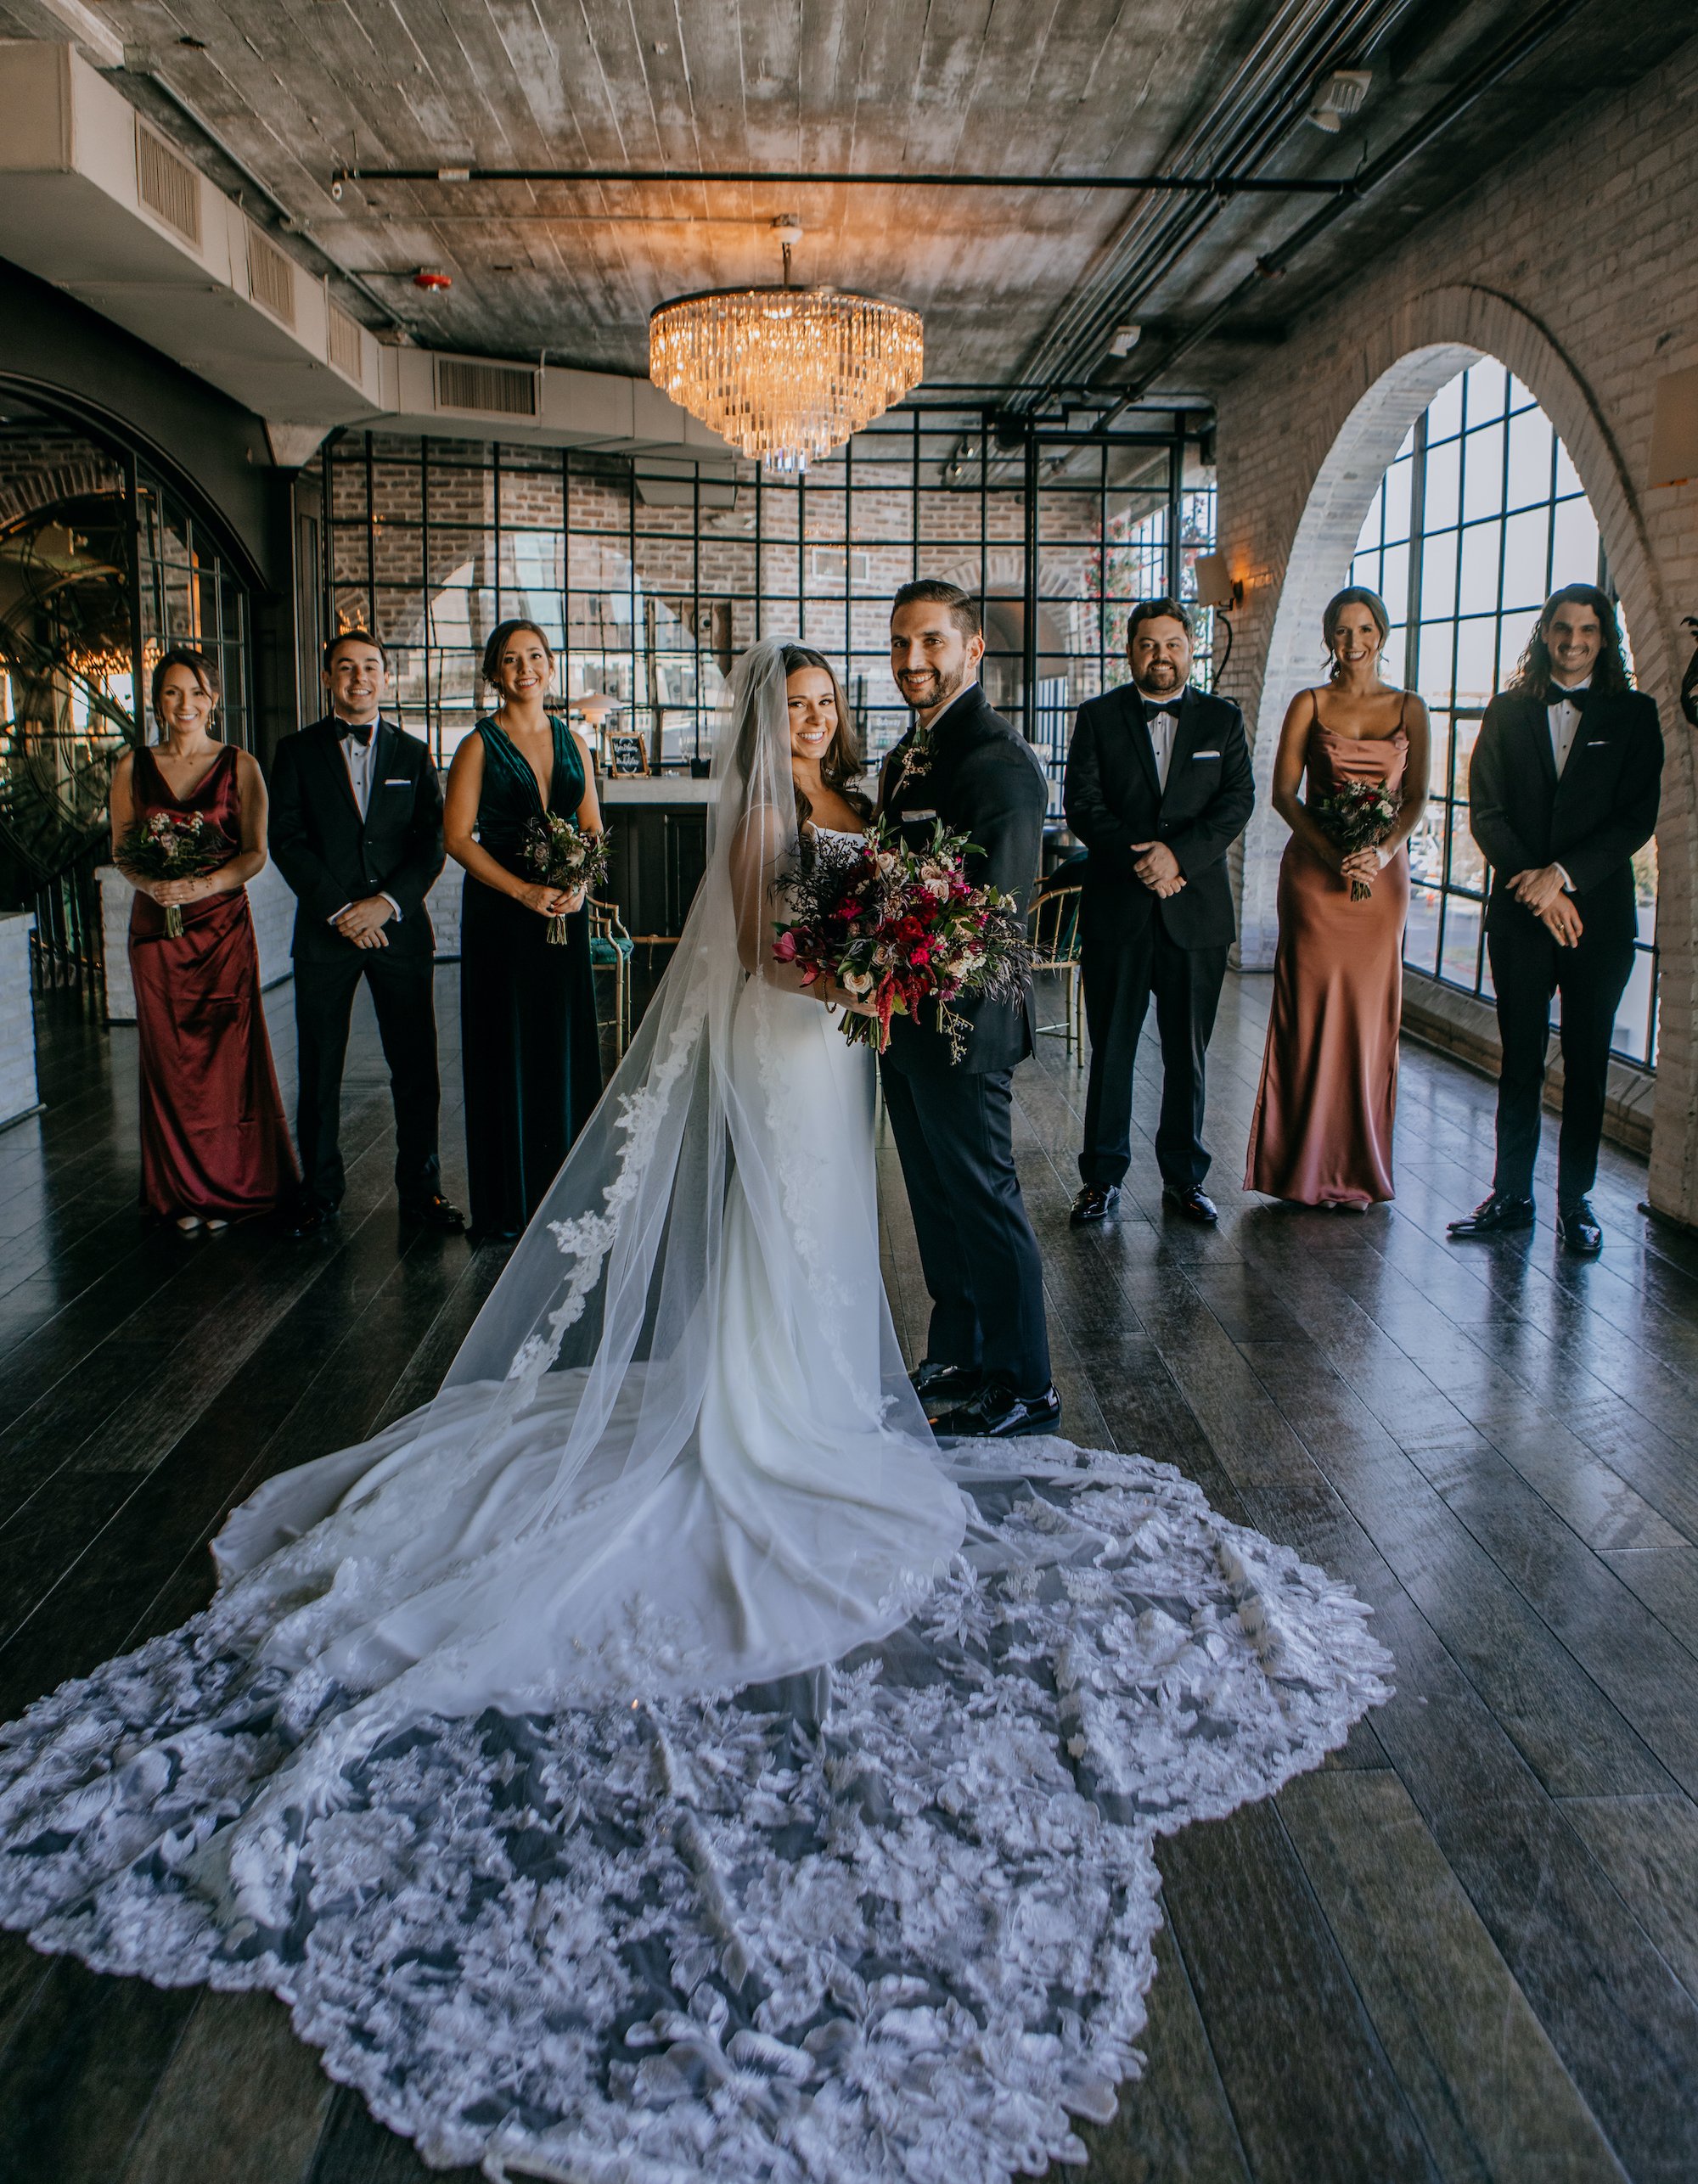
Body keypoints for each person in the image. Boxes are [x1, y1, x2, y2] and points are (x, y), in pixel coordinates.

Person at [0, 643, 1391, 2184]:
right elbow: (757, 939)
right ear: (764, 716)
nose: (810, 720)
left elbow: (890, 902)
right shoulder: (761, 811)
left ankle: (812, 1399)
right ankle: (762, 1418)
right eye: (790, 704)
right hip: (785, 1033)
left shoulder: (867, 788)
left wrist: (890, 952)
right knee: (787, 1237)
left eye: (822, 703)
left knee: (830, 1245)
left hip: (836, 1045)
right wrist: (862, 959)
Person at [879, 578, 1058, 1438]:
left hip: (963, 1019)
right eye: (900, 643)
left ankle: (1023, 1382)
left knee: (984, 1197)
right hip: (902, 1017)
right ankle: (959, 1349)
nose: (911, 661)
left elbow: (997, 916)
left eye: (930, 643)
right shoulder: (910, 755)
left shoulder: (997, 761)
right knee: (935, 1197)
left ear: (971, 648)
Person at [1448, 584, 1662, 1255]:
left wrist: (1562, 878)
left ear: (1605, 638)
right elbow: (1486, 811)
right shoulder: (1507, 712)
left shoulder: (1634, 714)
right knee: (1520, 1059)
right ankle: (1512, 1194)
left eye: (1588, 630)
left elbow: (1636, 817)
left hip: (1598, 916)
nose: (1574, 641)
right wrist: (1540, 891)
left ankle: (1576, 1201)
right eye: (1562, 628)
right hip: (1520, 915)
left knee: (1590, 1062)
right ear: (1544, 634)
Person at [1062, 597, 1254, 1227]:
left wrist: (1179, 858)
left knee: (1187, 1054)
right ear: (1130, 650)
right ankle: (1101, 1178)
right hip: (1119, 909)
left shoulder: (1223, 721)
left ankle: (1185, 1177)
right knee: (1112, 1049)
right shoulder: (1096, 717)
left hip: (1194, 914)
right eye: (1148, 644)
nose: (1160, 656)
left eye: (1172, 643)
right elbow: (1083, 806)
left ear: (1190, 648)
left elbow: (1236, 803)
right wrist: (1142, 860)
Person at [268, 630, 461, 1237]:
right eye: (345, 668)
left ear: (385, 677)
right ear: (328, 678)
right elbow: (287, 841)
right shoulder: (296, 752)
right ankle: (319, 1195)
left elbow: (432, 843)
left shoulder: (414, 753)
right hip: (326, 936)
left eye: (370, 667)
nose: (358, 677)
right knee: (320, 1068)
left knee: (416, 1067)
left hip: (398, 934)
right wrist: (341, 910)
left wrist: (385, 904)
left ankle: (422, 1195)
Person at [1245, 587, 1429, 1209]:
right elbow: (1283, 795)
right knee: (1309, 1012)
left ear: (1381, 633)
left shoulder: (1411, 707)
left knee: (1368, 1020)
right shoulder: (1309, 702)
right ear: (1330, 639)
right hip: (1315, 879)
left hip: (1381, 883)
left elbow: (1418, 799)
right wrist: (1332, 853)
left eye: (1364, 629)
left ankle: (1359, 1166)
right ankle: (1297, 1167)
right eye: (1342, 632)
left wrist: (1379, 853)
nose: (1354, 643)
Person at [109, 648, 297, 1230]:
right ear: (158, 701)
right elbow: (122, 850)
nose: (184, 703)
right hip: (157, 936)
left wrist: (201, 885)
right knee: (169, 1064)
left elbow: (255, 853)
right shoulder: (130, 767)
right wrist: (156, 885)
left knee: (225, 1060)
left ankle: (230, 1187)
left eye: (195, 692)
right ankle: (180, 1195)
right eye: (171, 692)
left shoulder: (240, 766)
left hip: (219, 930)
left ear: (214, 699)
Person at [444, 620, 604, 1241]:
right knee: (504, 1045)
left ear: (552, 666)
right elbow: (457, 838)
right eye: (511, 660)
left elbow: (591, 827)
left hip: (565, 908)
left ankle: (562, 1190)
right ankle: (508, 1204)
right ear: (494, 673)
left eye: (536, 656)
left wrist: (579, 884)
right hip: (502, 914)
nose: (525, 668)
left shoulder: (574, 742)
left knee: (561, 1041)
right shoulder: (478, 746)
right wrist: (523, 891)